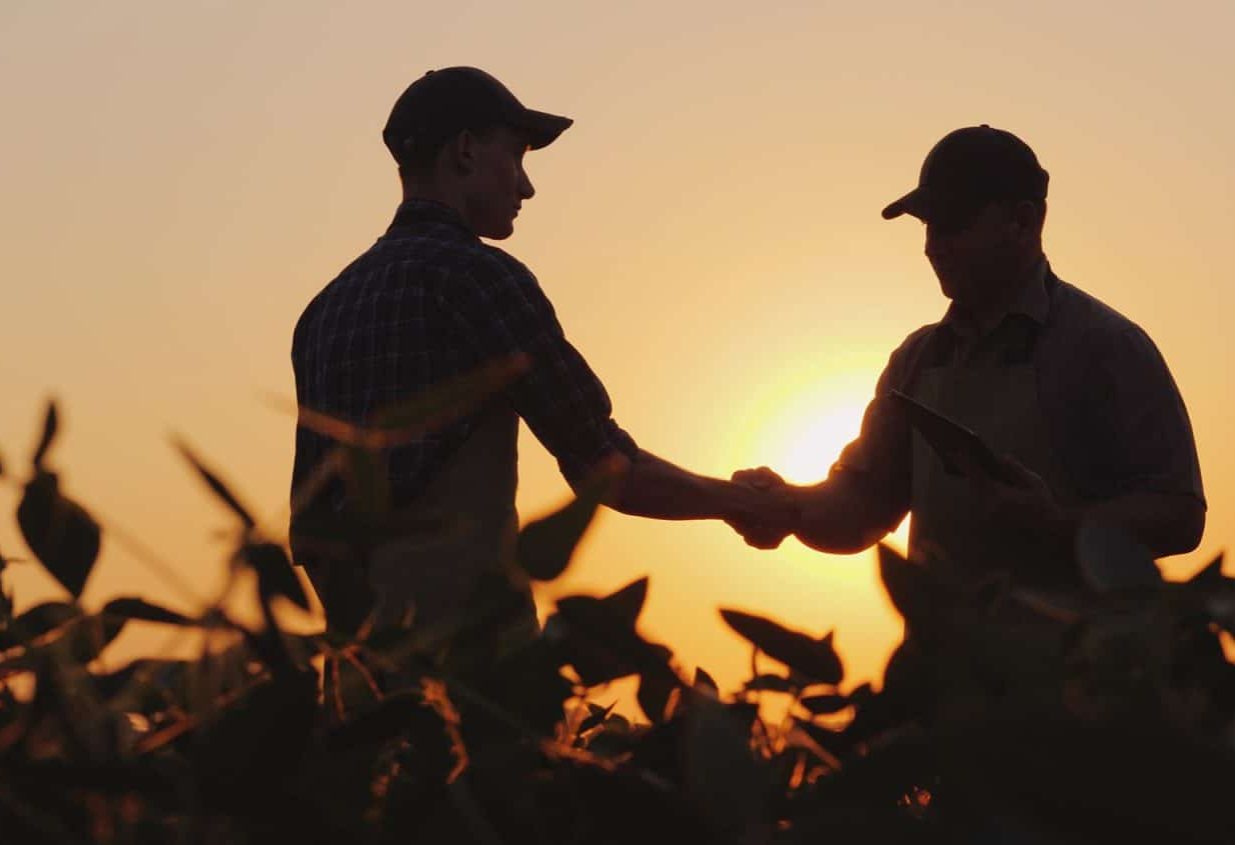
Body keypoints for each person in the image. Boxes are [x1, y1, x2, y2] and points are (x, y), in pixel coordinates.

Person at [290, 66, 783, 635]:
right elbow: (606, 467)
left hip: (357, 686)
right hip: (471, 674)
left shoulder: (323, 311)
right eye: (518, 157)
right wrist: (745, 504)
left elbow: (310, 533)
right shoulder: (479, 278)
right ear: (467, 152)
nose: (526, 186)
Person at [729, 125, 1205, 587]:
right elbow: (862, 511)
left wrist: (1060, 524)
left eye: (953, 224)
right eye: (928, 225)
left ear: (1024, 221)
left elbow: (1181, 517)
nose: (932, 247)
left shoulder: (1107, 348)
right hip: (941, 665)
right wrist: (787, 506)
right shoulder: (916, 360)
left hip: (1070, 665)